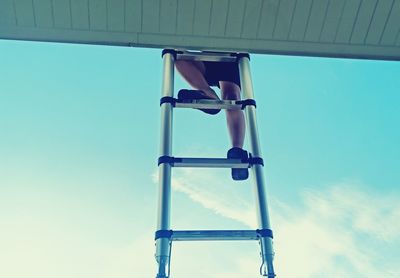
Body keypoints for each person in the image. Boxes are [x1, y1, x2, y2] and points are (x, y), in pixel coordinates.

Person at [175, 57, 249, 181]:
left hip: (228, 56)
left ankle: (237, 150)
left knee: (232, 99)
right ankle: (207, 93)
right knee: (179, 58)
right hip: (206, 55)